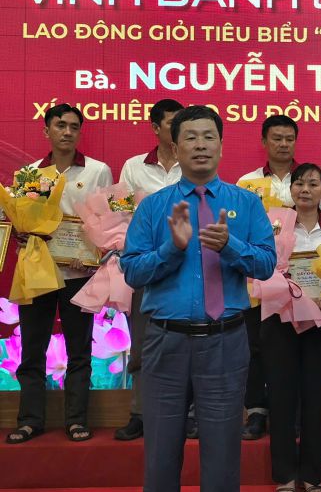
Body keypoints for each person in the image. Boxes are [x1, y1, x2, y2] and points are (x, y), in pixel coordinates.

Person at [120, 105, 277, 492]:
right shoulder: (154, 207)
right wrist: (170, 250)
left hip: (225, 341)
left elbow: (266, 265)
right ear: (175, 146)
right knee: (160, 451)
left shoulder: (247, 203)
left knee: (223, 452)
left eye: (209, 136)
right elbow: (132, 272)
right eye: (190, 137)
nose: (200, 145)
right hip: (164, 342)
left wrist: (231, 246)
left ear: (222, 146)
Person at [5, 104, 113, 445]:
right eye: (60, 125)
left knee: (80, 351)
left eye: (74, 127)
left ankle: (76, 420)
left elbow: (109, 222)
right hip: (37, 272)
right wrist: (22, 233)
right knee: (32, 349)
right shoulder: (29, 174)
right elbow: (17, 221)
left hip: (79, 274)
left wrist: (94, 253)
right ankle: (30, 420)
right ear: (46, 131)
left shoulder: (97, 171)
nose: (67, 132)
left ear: (80, 132)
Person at [263, 163, 321, 492]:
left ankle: (312, 476)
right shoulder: (274, 224)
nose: (305, 189)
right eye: (299, 183)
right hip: (280, 322)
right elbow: (261, 268)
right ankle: (284, 475)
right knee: (281, 398)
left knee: (317, 398)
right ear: (290, 189)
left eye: (313, 184)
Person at [115, 98, 184, 441]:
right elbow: (119, 216)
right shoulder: (134, 167)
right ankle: (140, 412)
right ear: (156, 128)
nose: (180, 129)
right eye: (173, 123)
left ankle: (188, 414)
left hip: (188, 269)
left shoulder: (194, 163)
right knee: (142, 343)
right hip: (148, 267)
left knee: (189, 342)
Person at [240, 115, 321, 210]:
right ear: (264, 142)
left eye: (289, 139)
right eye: (277, 139)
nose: (284, 144)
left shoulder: (313, 178)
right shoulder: (248, 181)